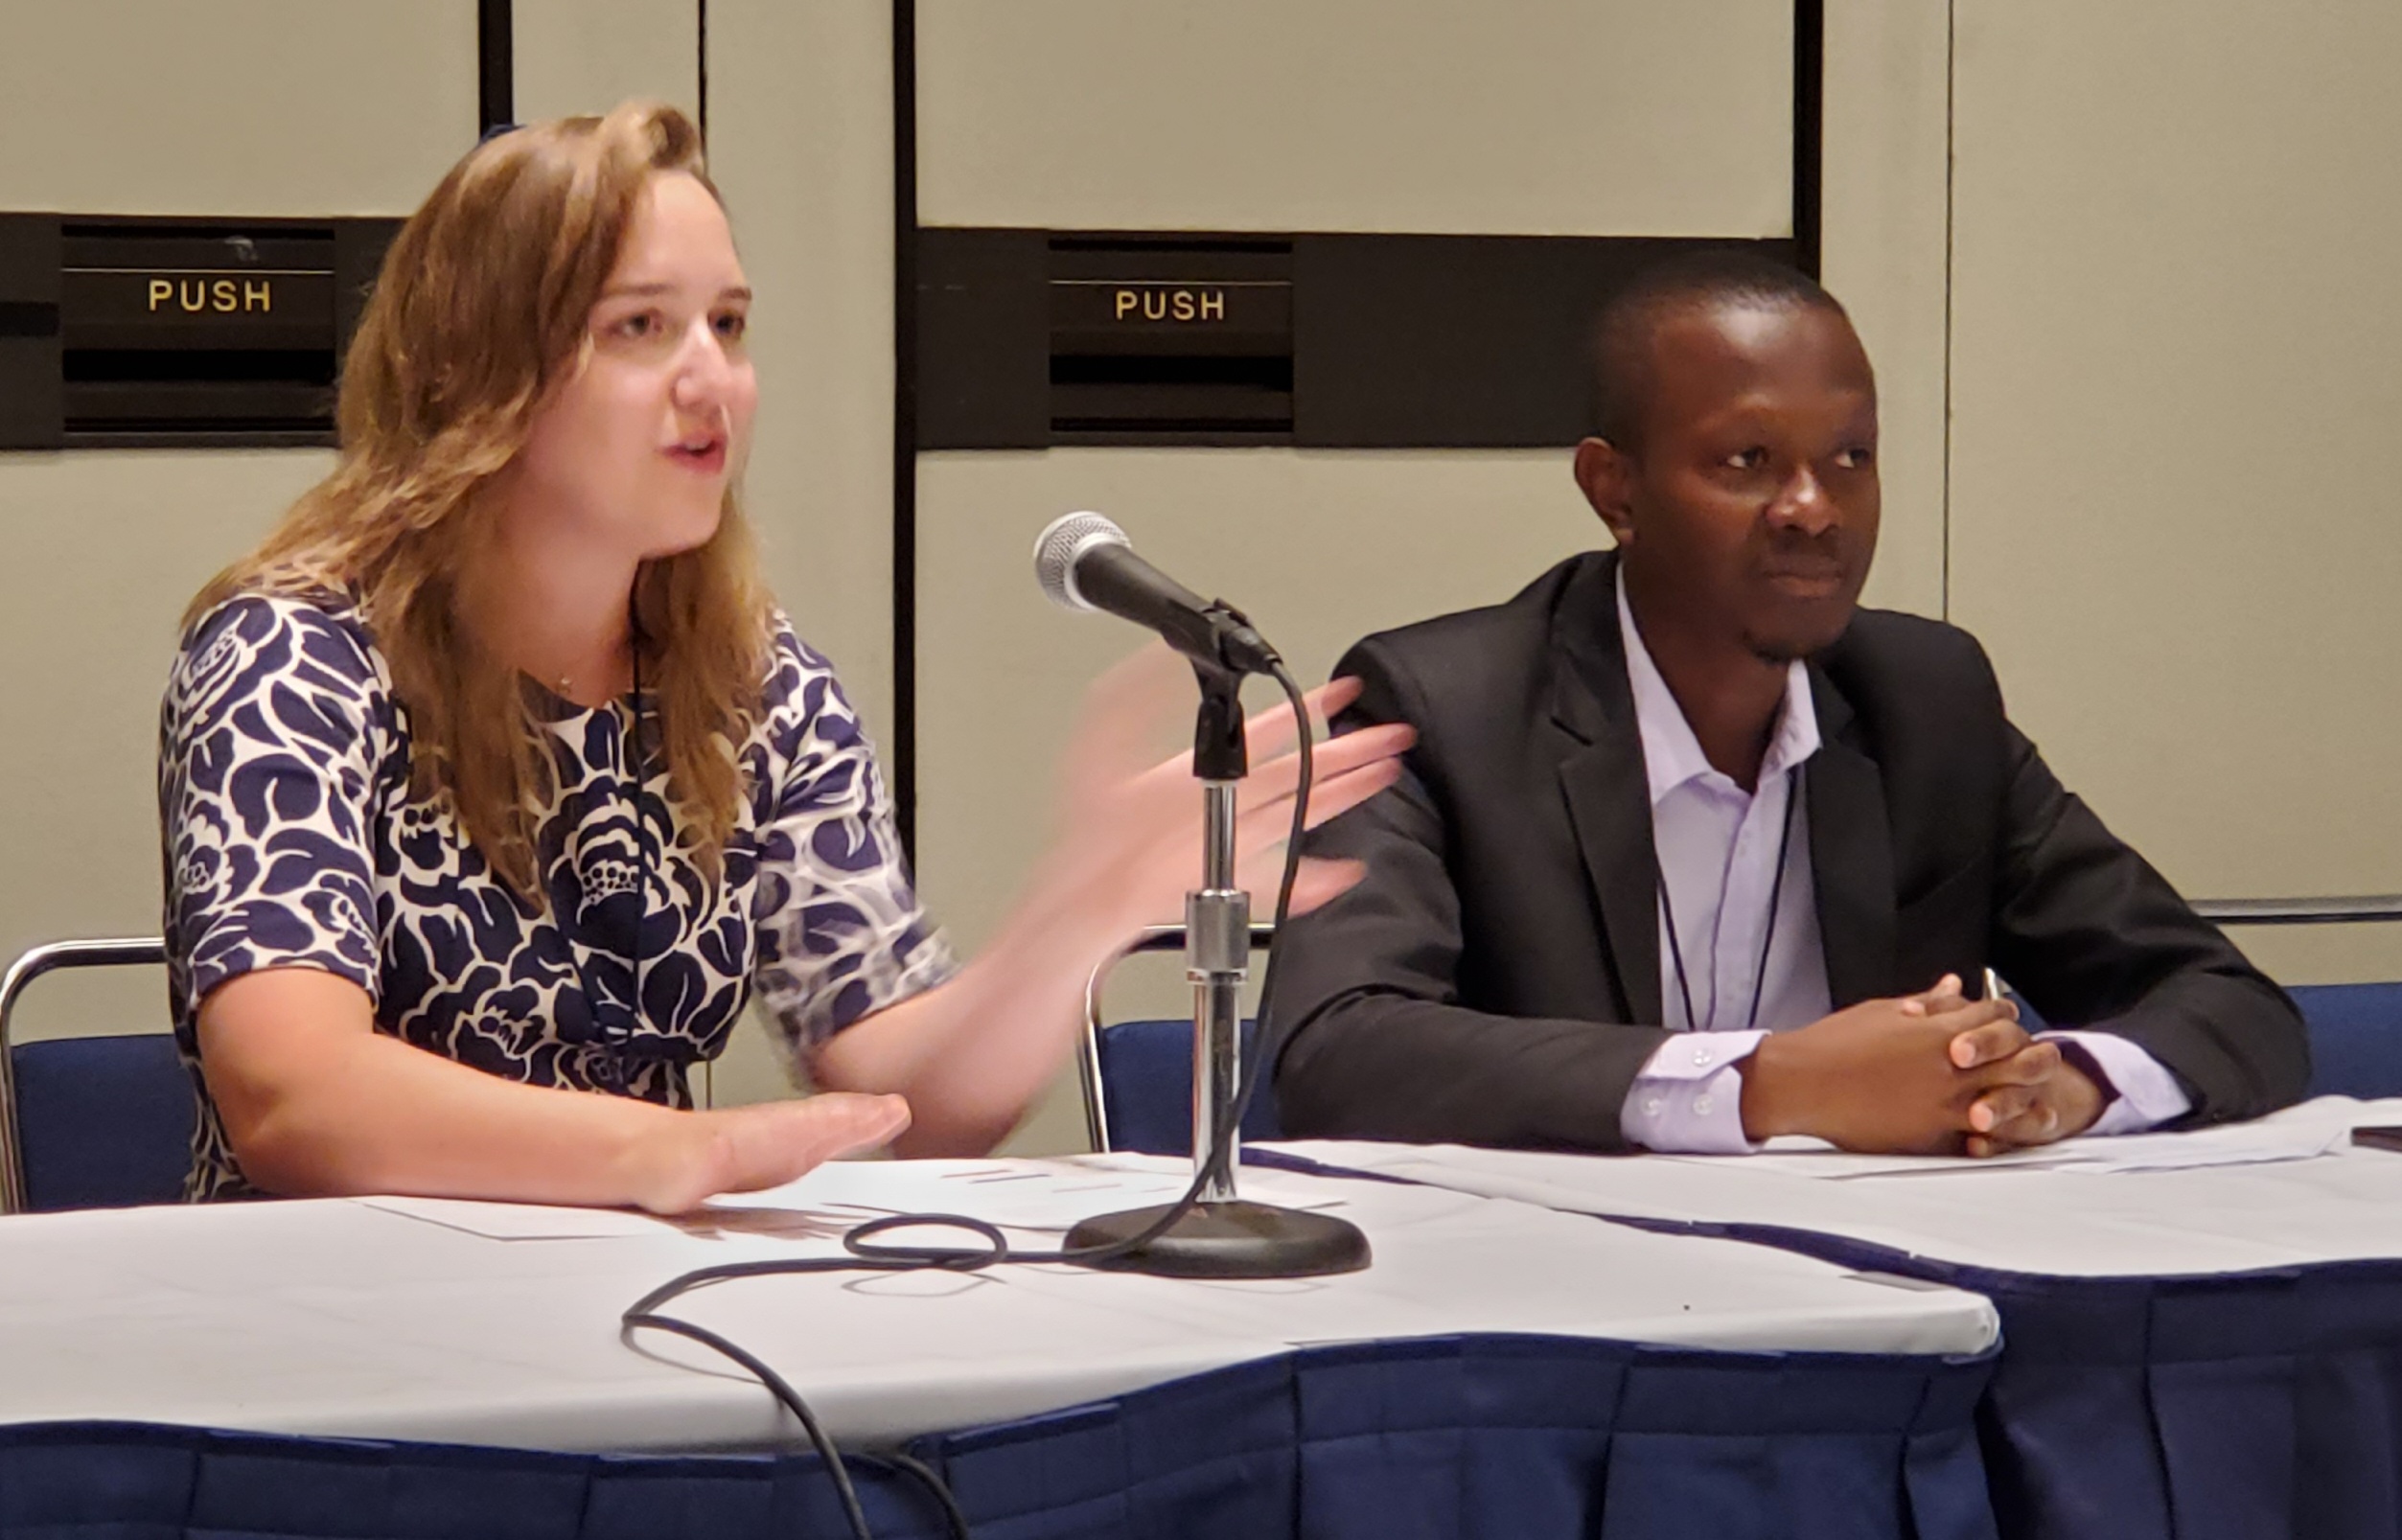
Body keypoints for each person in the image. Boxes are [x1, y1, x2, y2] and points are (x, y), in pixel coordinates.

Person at [158, 103, 1407, 1208]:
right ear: (474, 373)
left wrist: (1067, 923)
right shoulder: (293, 653)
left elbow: (905, 1090)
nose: (714, 376)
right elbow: (293, 1096)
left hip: (632, 1315)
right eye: (641, 325)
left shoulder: (749, 679)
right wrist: (656, 1152)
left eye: (730, 322)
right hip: (338, 1334)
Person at [1268, 251, 2307, 1157]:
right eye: (1747, 461)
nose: (1813, 508)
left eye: (1849, 457)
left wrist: (2061, 1084)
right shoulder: (1441, 708)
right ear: (1612, 489)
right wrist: (1767, 1084)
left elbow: (2230, 1006)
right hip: (1557, 1308)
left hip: (1887, 1304)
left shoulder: (1926, 702)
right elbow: (1337, 1050)